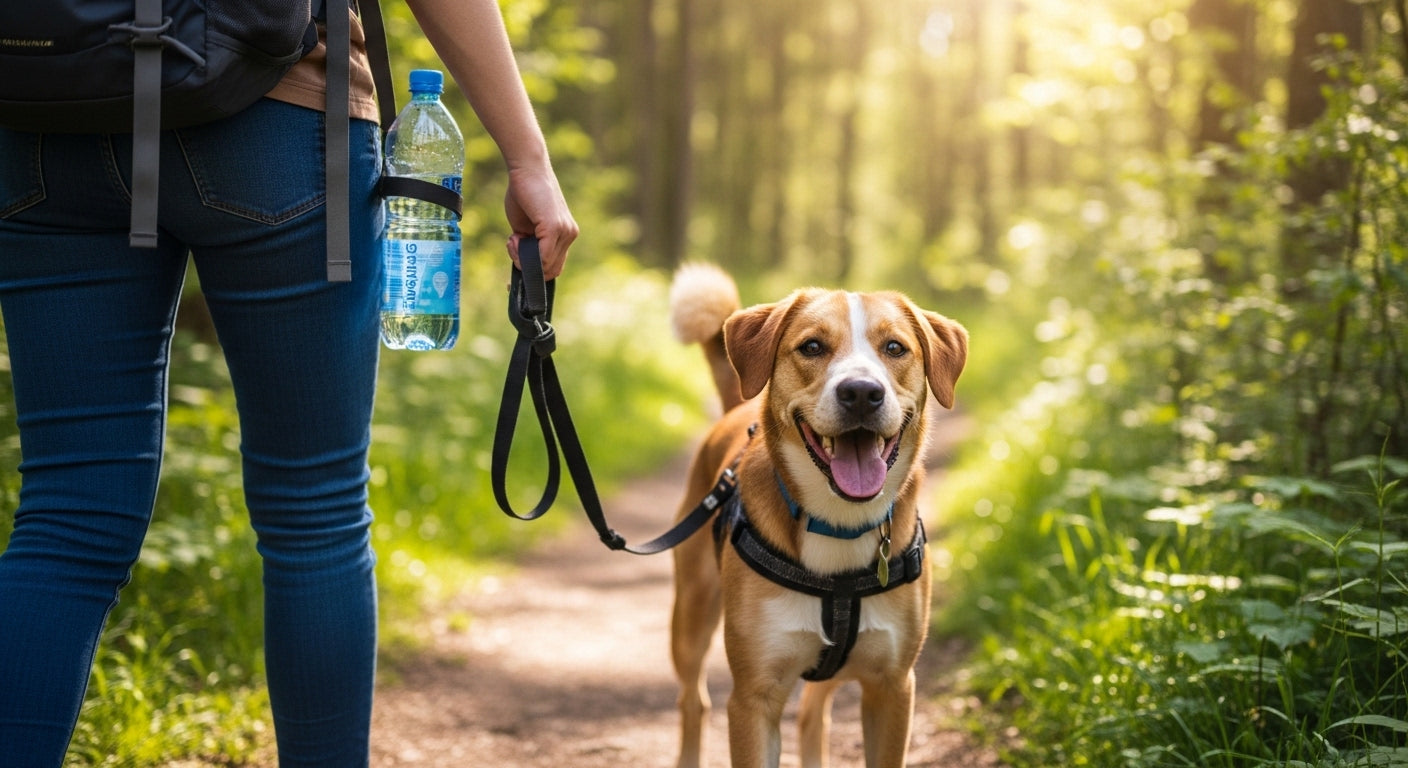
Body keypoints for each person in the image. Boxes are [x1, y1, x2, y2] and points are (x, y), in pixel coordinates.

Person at [0, 0, 577, 764]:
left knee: (66, 517)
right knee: (315, 512)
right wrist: (526, 158)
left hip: (44, 110)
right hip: (276, 114)